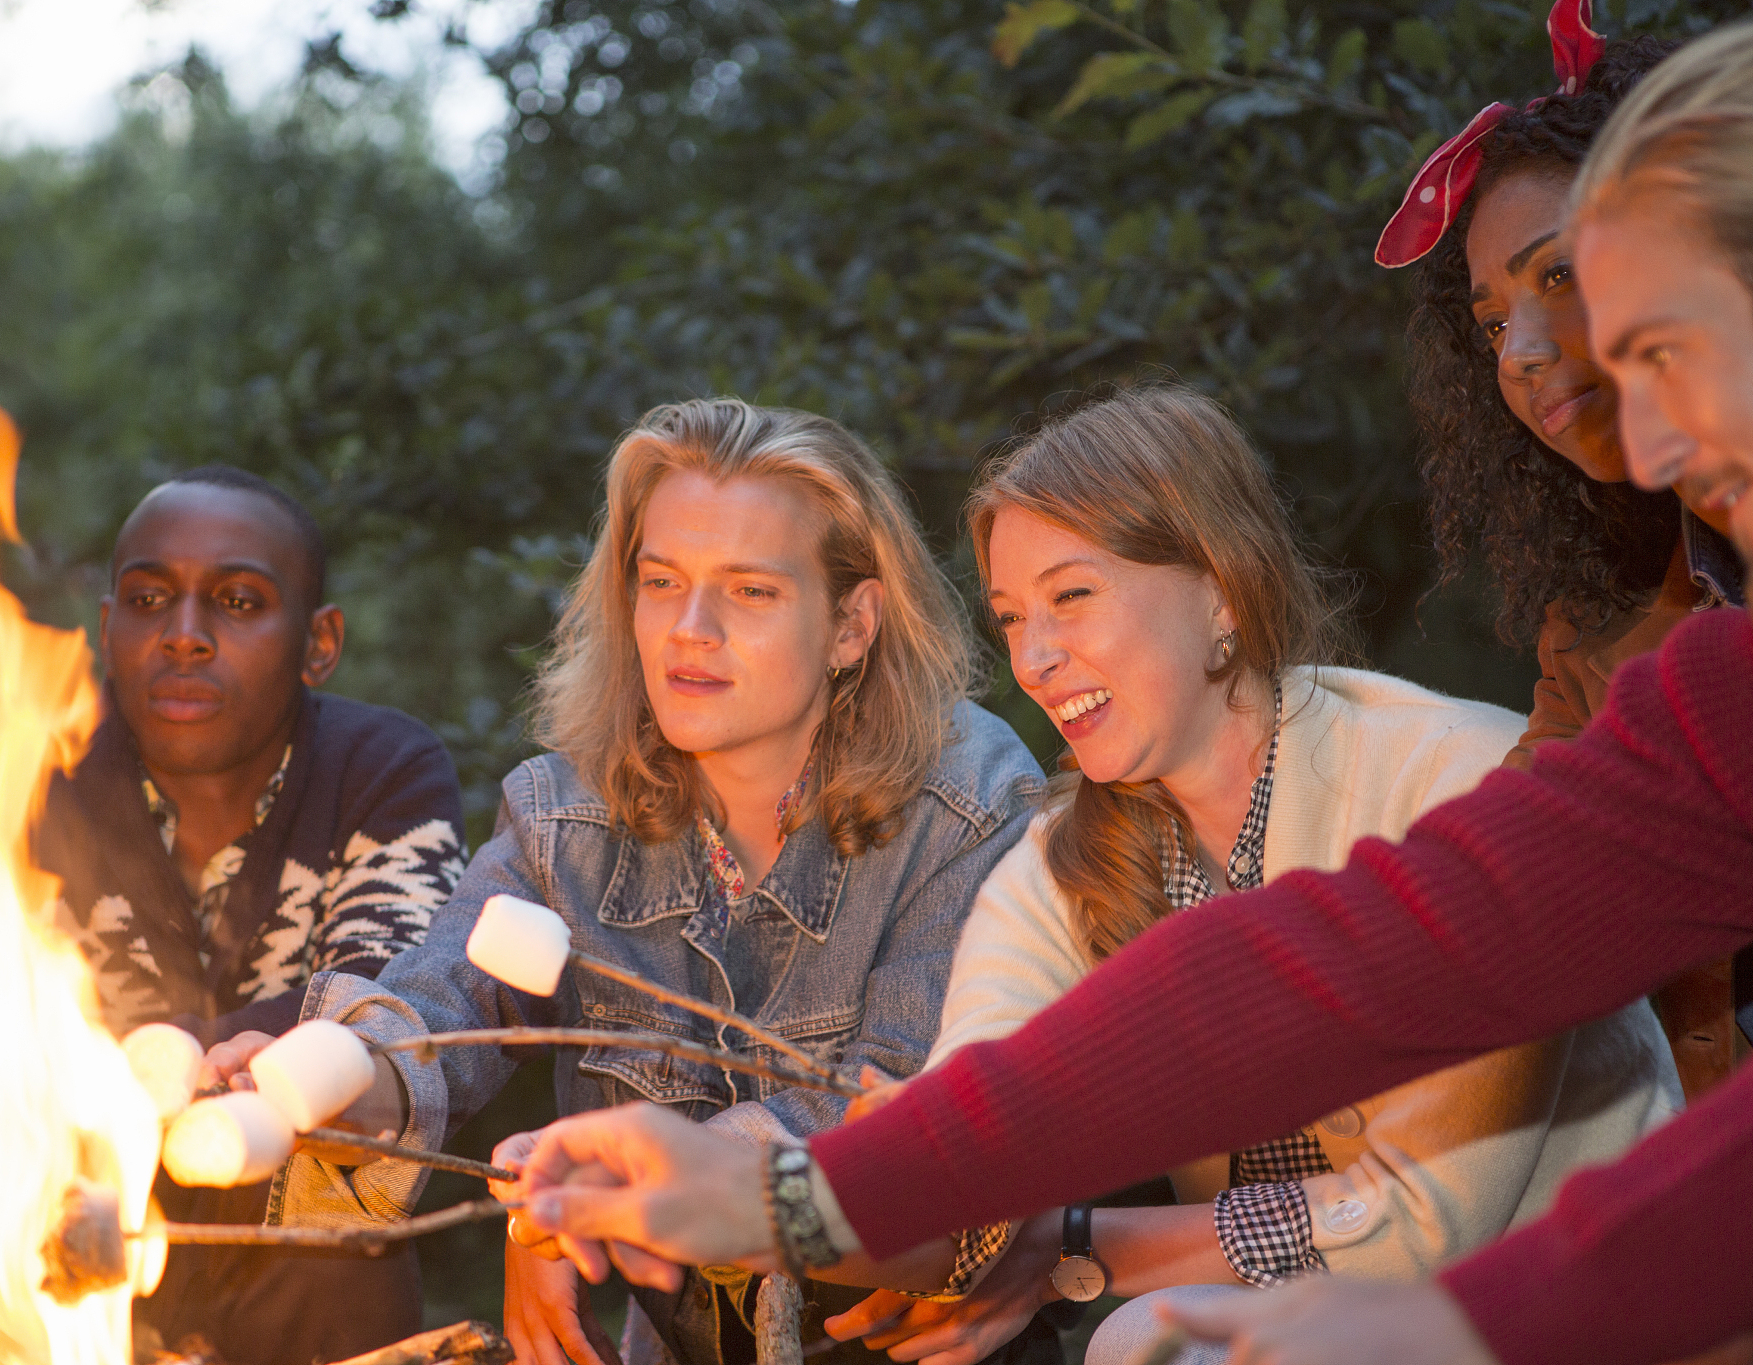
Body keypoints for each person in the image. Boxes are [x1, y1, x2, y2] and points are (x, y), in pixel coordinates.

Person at [494, 26, 1753, 1365]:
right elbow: (1301, 986)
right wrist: (797, 1194)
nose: (1644, 442)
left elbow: (1407, 1119)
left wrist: (1037, 1234)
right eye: (1012, 619)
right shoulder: (1714, 693)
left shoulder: (1446, 759)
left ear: (1219, 590)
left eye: (1660, 349)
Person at [817, 386, 1676, 1365]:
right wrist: (919, 1161)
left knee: (1149, 1336)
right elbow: (980, 1088)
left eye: (1071, 596)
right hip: (1325, 1330)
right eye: (1010, 618)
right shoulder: (1060, 862)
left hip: (1583, 1314)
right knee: (1152, 1340)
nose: (1034, 658)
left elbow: (1425, 1220)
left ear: (1221, 590)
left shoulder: (1463, 779)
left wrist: (1073, 1246)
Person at [213, 399, 1046, 1365]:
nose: (690, 629)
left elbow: (891, 1109)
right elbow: (438, 1007)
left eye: (750, 591)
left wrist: (596, 1184)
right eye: (661, 581)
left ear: (851, 625)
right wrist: (343, 1084)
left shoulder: (970, 803)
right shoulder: (566, 814)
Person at [1386, 0, 1743, 1095]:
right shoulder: (1594, 624)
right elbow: (1498, 876)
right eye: (1492, 323)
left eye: (1558, 274)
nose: (1520, 355)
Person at [33, 465, 466, 1365]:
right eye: (149, 599)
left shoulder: (380, 768)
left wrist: (170, 1057)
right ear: (107, 628)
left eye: (237, 601)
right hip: (65, 1249)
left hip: (310, 1268)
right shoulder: (28, 774)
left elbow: (387, 1001)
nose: (184, 635)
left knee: (333, 1193)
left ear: (319, 642)